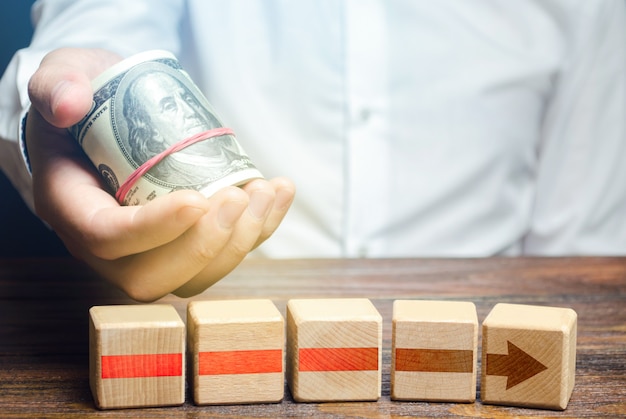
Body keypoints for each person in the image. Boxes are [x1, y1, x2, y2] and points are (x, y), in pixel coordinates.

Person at [0, 1, 624, 300]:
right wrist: (57, 124)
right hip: (208, 313)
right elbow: (100, 36)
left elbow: (582, 253)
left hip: (485, 337)